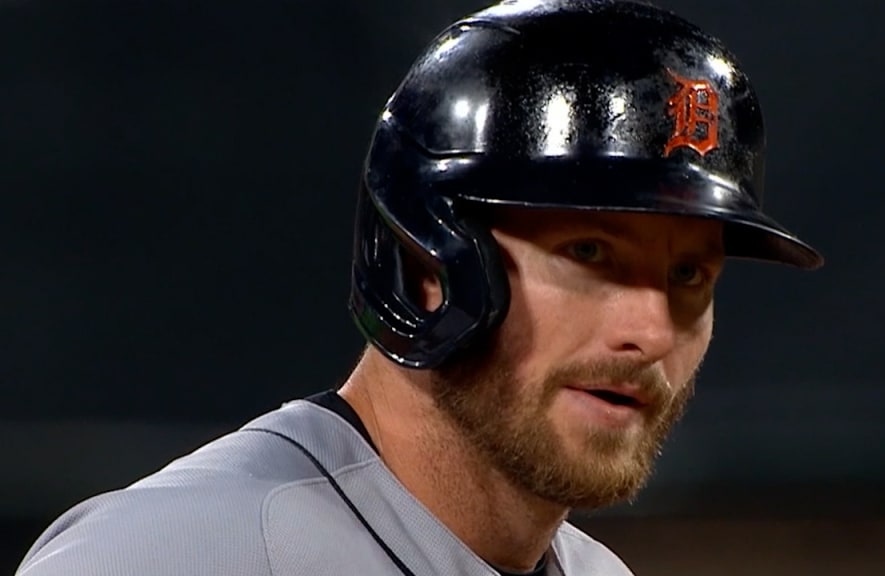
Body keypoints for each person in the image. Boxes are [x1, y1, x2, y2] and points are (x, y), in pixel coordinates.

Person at [15, 0, 823, 574]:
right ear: (429, 265)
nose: (651, 331)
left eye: (688, 275)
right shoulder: (175, 555)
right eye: (591, 252)